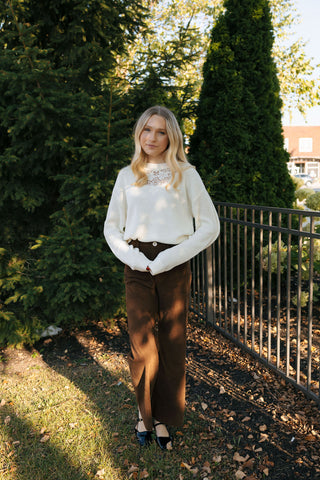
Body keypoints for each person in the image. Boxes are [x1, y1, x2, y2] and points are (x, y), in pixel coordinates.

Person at [104, 105, 220, 450]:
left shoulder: (187, 175)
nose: (152, 138)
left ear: (172, 137)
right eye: (147, 130)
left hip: (174, 267)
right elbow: (112, 227)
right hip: (137, 266)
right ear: (139, 134)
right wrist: (133, 258)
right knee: (141, 345)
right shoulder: (127, 175)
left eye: (161, 131)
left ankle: (164, 418)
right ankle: (145, 414)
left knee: (171, 343)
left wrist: (169, 258)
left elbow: (210, 226)